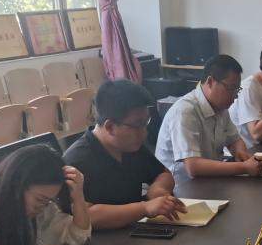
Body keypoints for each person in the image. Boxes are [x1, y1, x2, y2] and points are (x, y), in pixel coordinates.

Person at [64, 79, 186, 228]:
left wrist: (158, 191)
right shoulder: (77, 161)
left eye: (146, 123)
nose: (144, 133)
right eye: (137, 125)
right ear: (110, 127)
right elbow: (87, 215)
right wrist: (144, 208)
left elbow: (163, 173)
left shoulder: (130, 146)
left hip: (134, 231)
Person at [155, 54, 262, 179]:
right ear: (210, 82)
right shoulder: (185, 111)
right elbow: (193, 167)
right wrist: (244, 167)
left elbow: (234, 140)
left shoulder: (221, 108)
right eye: (231, 88)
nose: (236, 96)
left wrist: (241, 153)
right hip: (180, 186)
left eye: (237, 89)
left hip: (209, 181)